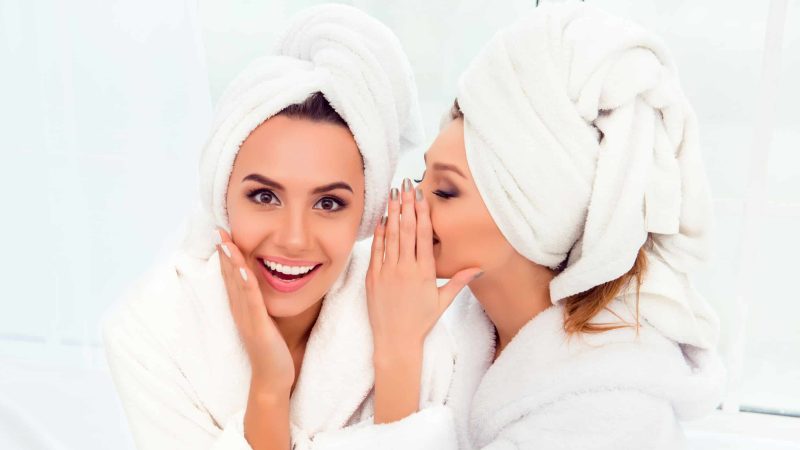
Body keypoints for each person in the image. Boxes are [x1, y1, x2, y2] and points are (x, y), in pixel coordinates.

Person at [366, 3, 726, 449]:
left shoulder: (607, 415)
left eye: (445, 191)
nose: (411, 206)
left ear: (531, 217)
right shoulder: (465, 331)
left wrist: (398, 352)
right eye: (422, 178)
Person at [103, 5, 458, 450]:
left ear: (365, 214)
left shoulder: (405, 309)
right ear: (222, 197)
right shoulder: (154, 333)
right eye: (264, 196)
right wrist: (269, 385)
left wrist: (399, 353)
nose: (293, 238)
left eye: (328, 203)